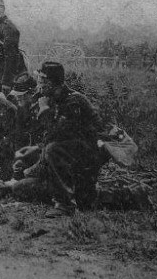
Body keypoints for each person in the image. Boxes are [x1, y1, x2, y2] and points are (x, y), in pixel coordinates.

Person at [33, 61, 104, 218]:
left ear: (51, 83)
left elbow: (56, 133)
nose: (39, 86)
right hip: (72, 154)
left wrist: (44, 109)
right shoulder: (55, 97)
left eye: (42, 82)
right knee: (25, 186)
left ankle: (64, 204)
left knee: (53, 150)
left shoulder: (73, 101)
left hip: (87, 156)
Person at [0, 0, 27, 96]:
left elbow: (11, 57)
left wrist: (7, 83)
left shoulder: (8, 28)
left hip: (6, 78)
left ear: (3, 9)